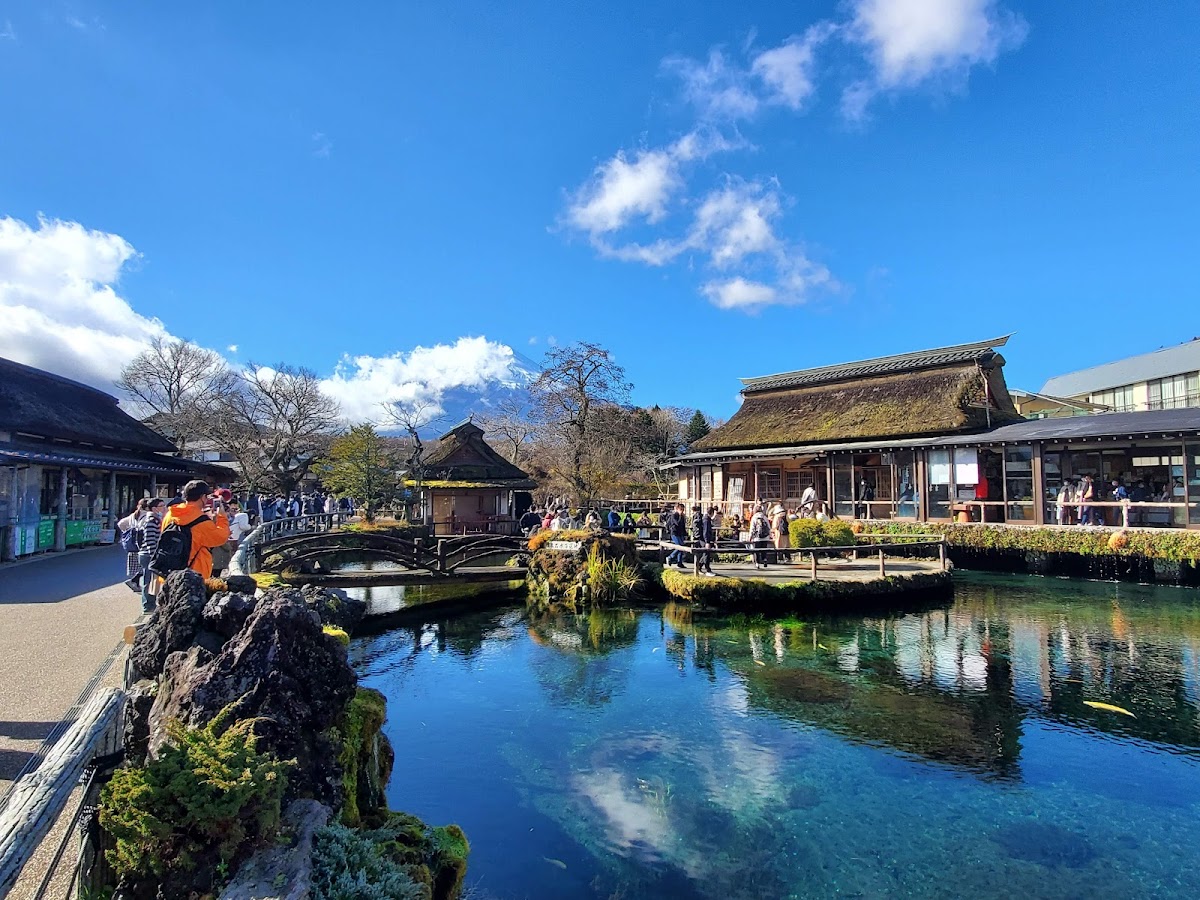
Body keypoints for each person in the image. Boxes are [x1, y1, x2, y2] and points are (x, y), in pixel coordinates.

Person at [158, 480, 231, 579]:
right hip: (195, 575)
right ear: (203, 497)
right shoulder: (201, 521)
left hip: (169, 572)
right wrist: (221, 516)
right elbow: (221, 537)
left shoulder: (171, 514)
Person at [136, 498, 165, 613]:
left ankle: (151, 603)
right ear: (154, 508)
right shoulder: (151, 520)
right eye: (161, 506)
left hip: (150, 554)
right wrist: (154, 555)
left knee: (153, 580)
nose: (164, 508)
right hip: (148, 555)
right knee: (148, 580)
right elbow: (149, 540)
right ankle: (147, 605)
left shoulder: (155, 519)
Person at [118, 499, 149, 592]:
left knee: (139, 565)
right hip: (143, 543)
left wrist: (127, 531)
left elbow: (121, 524)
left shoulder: (133, 515)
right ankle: (134, 581)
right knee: (145, 565)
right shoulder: (147, 516)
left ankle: (135, 582)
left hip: (133, 544)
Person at [749, 504, 772, 568]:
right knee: (763, 549)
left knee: (757, 551)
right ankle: (765, 559)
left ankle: (757, 563)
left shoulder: (754, 517)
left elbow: (752, 528)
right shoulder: (764, 517)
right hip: (765, 537)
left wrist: (750, 537)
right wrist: (770, 535)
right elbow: (768, 527)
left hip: (757, 537)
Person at [665, 503, 687, 568]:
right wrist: (680, 516)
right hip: (674, 533)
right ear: (677, 509)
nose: (682, 511)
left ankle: (679, 562)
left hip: (680, 533)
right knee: (679, 546)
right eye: (681, 509)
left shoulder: (682, 516)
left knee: (681, 547)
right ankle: (670, 557)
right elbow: (676, 523)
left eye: (683, 509)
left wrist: (685, 534)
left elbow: (683, 526)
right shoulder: (674, 515)